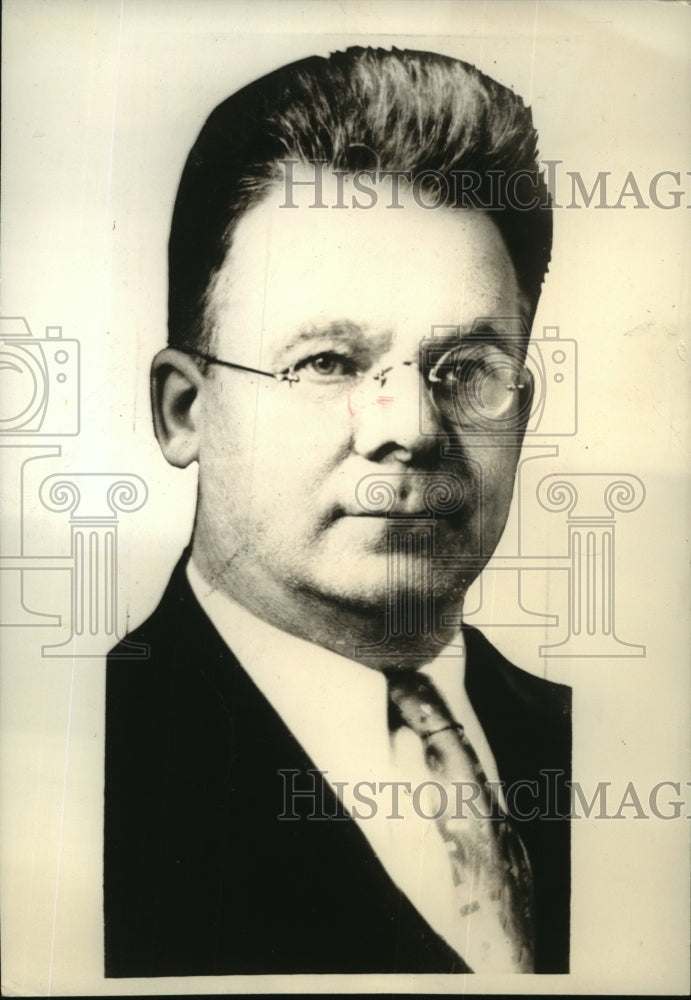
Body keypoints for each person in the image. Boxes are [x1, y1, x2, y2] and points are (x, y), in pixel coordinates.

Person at [104, 46, 571, 978]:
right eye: (326, 362)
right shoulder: (80, 766)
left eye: (468, 369)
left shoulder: (582, 743)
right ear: (184, 411)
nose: (411, 428)